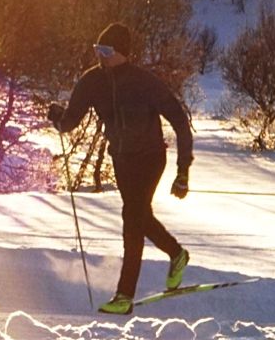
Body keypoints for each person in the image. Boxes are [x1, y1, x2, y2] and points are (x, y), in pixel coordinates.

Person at [46, 21, 193, 314]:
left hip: (151, 158)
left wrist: (182, 171)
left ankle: (124, 296)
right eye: (98, 49)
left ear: (123, 53)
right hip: (122, 160)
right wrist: (59, 118)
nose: (101, 56)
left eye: (107, 50)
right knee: (139, 217)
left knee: (132, 219)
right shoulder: (91, 82)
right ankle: (177, 254)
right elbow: (71, 121)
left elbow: (180, 122)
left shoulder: (145, 82)